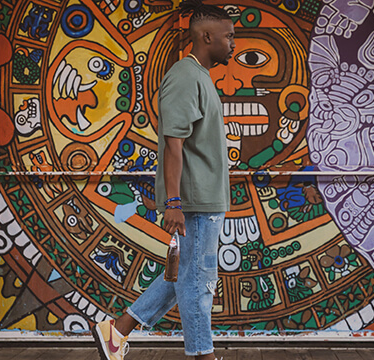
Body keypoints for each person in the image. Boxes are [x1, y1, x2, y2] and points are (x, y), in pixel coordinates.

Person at [92, 1, 235, 359]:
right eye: (228, 36)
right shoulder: (186, 77)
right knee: (199, 282)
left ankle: (117, 330)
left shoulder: (199, 76)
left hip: (204, 198)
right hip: (195, 200)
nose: (233, 44)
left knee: (187, 275)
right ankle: (203, 355)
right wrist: (174, 202)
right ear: (206, 36)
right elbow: (174, 144)